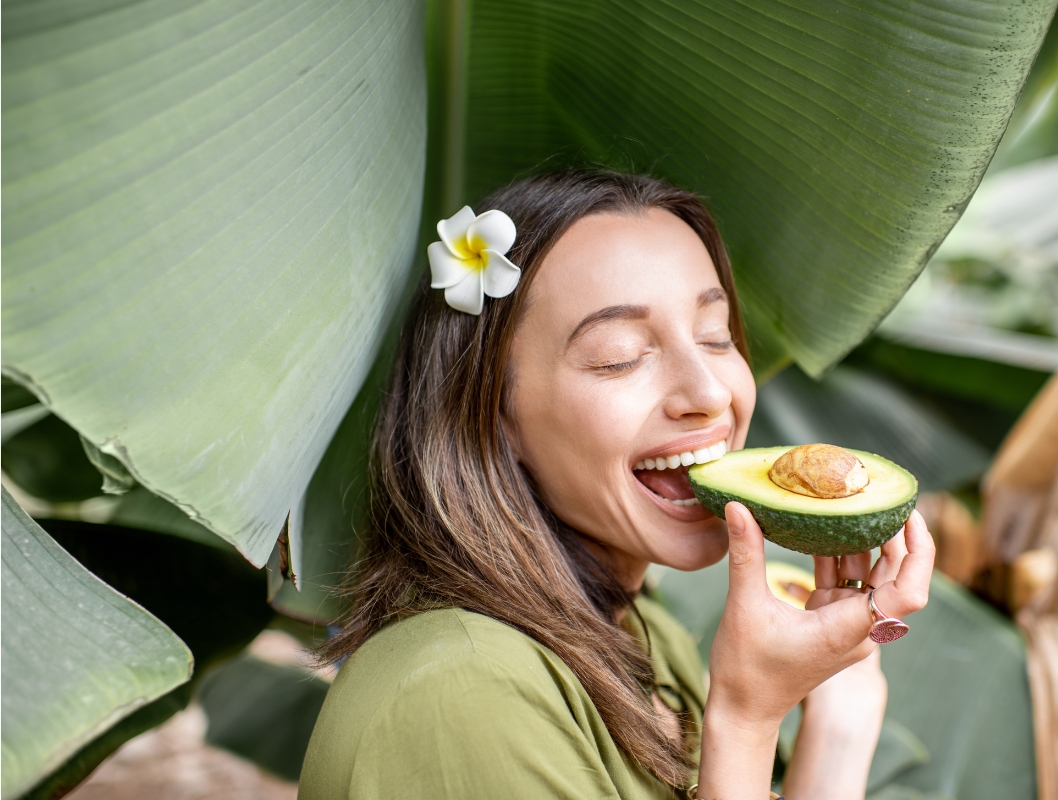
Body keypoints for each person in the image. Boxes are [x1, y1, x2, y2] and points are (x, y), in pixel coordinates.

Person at [299, 171, 934, 800]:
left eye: (715, 337)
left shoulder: (648, 640)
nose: (711, 394)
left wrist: (841, 720)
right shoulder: (454, 690)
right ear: (492, 415)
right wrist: (747, 718)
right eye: (620, 355)